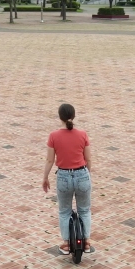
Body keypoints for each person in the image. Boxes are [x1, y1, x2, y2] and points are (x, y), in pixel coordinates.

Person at [42, 104, 93, 255]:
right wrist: (86, 175)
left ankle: (65, 243)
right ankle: (87, 242)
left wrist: (45, 178)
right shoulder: (83, 134)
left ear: (60, 117)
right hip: (82, 174)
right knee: (84, 210)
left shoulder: (53, 136)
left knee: (64, 211)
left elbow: (50, 160)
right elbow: (88, 159)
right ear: (74, 116)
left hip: (63, 176)